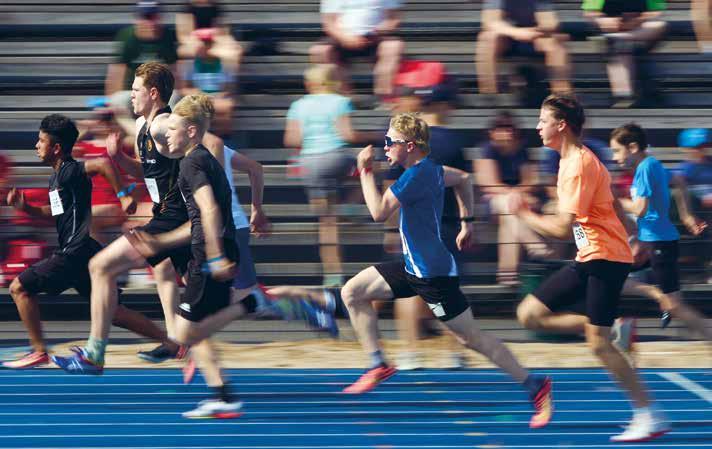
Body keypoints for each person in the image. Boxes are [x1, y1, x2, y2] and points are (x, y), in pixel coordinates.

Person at [339, 113, 553, 430]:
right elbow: (464, 179)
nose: (384, 147)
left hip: (433, 276)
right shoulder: (432, 169)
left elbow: (378, 212)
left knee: (471, 338)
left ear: (409, 146)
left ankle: (535, 385)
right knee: (352, 292)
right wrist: (467, 223)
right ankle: (378, 363)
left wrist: (366, 171)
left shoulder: (414, 177)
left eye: (389, 142)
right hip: (413, 266)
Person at [512, 94, 670, 442]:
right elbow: (612, 203)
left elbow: (560, 228)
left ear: (561, 126)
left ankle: (649, 415)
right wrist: (634, 236)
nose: (537, 127)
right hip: (591, 255)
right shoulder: (576, 160)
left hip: (604, 257)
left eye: (543, 120)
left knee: (597, 345)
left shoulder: (578, 165)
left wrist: (524, 215)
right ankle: (616, 331)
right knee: (529, 314)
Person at [52, 62, 192, 372]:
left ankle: (94, 354)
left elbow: (189, 135)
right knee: (173, 275)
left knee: (100, 266)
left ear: (153, 93)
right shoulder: (143, 127)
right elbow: (148, 172)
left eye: (135, 90)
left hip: (175, 219)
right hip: (166, 216)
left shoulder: (162, 124)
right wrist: (119, 158)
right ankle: (176, 341)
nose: (130, 96)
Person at [2, 114, 169, 369]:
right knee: (114, 312)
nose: (36, 145)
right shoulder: (57, 178)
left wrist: (124, 195)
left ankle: (38, 351)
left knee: (19, 288)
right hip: (84, 251)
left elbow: (102, 164)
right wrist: (26, 208)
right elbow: (54, 213)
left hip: (74, 251)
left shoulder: (69, 170)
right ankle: (172, 343)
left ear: (56, 148)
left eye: (41, 141)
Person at [608, 123, 711, 341]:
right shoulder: (652, 164)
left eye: (617, 151)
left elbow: (640, 209)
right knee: (611, 275)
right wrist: (686, 215)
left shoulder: (645, 168)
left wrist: (615, 201)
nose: (614, 157)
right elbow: (679, 182)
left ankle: (707, 332)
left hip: (659, 244)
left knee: (674, 305)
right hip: (653, 242)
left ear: (633, 147)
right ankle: (629, 316)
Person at [284, 64, 370, 287]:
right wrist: (377, 135)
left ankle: (332, 276)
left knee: (327, 223)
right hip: (336, 158)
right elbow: (348, 135)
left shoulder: (298, 105)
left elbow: (292, 140)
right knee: (372, 168)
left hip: (310, 162)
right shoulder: (340, 101)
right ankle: (351, 206)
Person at [475, 111, 554, 285]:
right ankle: (535, 245)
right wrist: (514, 195)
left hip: (519, 202)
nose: (507, 132)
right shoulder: (486, 150)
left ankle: (507, 275)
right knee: (506, 205)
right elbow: (489, 184)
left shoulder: (522, 150)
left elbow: (530, 181)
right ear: (492, 132)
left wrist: (517, 194)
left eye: (510, 128)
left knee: (509, 218)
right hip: (494, 201)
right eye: (501, 128)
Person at [311, 0, 405, 98]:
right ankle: (343, 99)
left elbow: (393, 18)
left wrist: (376, 33)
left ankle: (384, 98)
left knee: (393, 47)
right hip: (342, 37)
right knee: (320, 51)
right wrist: (345, 38)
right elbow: (329, 23)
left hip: (375, 36)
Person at [476, 0, 571, 96]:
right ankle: (489, 95)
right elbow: (491, 22)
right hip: (507, 39)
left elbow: (551, 23)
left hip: (535, 36)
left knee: (555, 42)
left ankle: (562, 95)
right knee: (488, 38)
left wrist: (533, 32)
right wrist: (517, 32)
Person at [583, 0, 667, 107]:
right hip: (612, 29)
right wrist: (602, 20)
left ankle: (619, 37)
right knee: (622, 46)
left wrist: (638, 20)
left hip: (640, 30)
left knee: (658, 25)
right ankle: (624, 96)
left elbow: (656, 11)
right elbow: (590, 12)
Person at [105, 1, 179, 118]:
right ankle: (133, 129)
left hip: (159, 92)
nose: (151, 22)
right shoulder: (127, 37)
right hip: (133, 92)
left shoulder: (167, 36)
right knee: (117, 101)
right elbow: (117, 73)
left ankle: (166, 127)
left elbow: (174, 71)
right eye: (146, 17)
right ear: (137, 19)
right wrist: (110, 100)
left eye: (154, 17)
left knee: (174, 97)